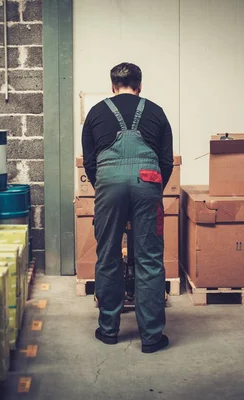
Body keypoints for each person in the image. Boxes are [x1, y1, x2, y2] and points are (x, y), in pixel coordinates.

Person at [81, 62, 173, 354]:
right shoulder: (156, 112)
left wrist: (105, 184)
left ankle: (108, 330)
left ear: (112, 86)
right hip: (147, 182)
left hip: (108, 184)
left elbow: (90, 161)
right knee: (149, 258)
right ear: (140, 85)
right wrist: (153, 188)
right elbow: (167, 161)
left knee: (108, 255)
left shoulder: (96, 112)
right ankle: (151, 337)